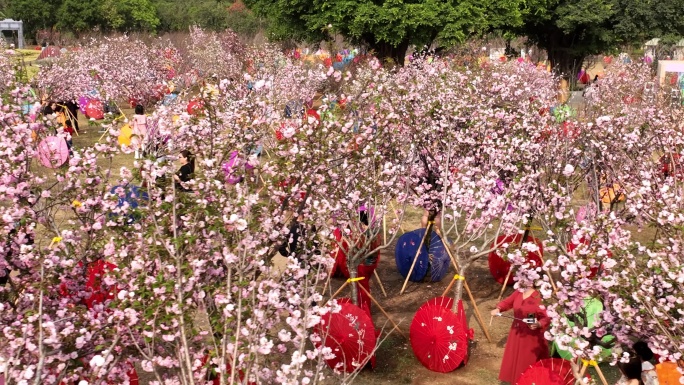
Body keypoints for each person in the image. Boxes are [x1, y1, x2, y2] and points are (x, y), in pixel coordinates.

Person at [490, 285, 550, 384]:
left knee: (526, 363)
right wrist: (499, 308)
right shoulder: (519, 292)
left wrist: (539, 324)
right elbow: (507, 302)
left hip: (531, 337)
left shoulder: (538, 296)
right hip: (516, 333)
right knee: (515, 361)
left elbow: (546, 317)